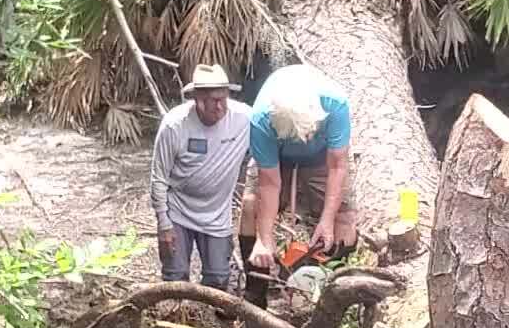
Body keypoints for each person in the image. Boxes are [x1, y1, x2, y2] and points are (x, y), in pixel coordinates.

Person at [239, 62, 356, 303]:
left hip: (324, 157)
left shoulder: (336, 104)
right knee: (251, 206)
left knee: (344, 218)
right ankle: (256, 291)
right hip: (277, 158)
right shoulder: (261, 120)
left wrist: (326, 219)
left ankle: (330, 294)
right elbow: (269, 182)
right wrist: (264, 238)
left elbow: (337, 165)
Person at [149, 64, 252, 293]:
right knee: (175, 280)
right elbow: (158, 179)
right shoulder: (175, 125)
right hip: (178, 211)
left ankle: (211, 325)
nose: (219, 107)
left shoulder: (244, 119)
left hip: (217, 215)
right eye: (212, 100)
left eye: (223, 99)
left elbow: (269, 137)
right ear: (196, 99)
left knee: (217, 280)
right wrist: (163, 224)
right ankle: (175, 322)